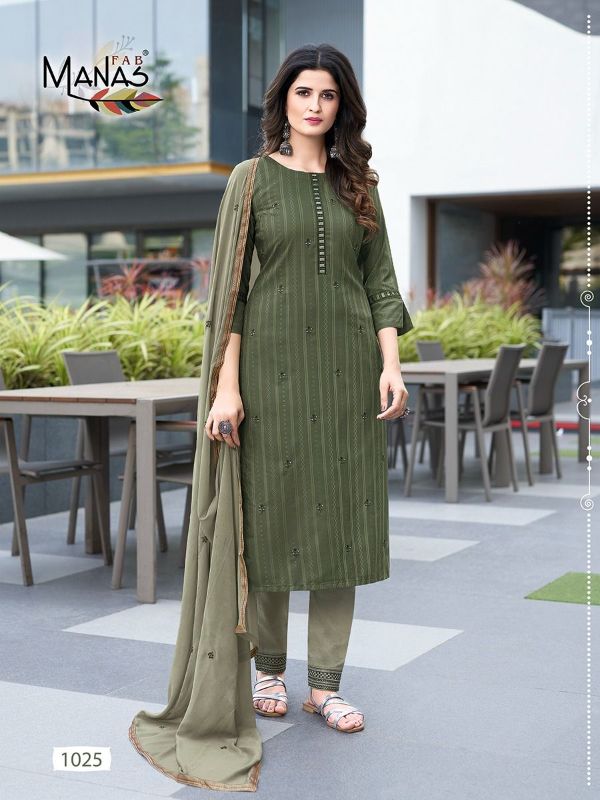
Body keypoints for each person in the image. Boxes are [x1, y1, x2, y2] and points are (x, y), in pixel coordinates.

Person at [204, 42, 414, 735]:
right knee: (271, 518)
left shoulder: (360, 185)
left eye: (328, 95)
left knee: (341, 525)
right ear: (283, 101)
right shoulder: (251, 180)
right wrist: (227, 388)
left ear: (342, 105)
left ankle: (326, 686)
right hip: (271, 374)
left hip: (348, 372)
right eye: (304, 93)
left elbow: (380, 282)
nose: (315, 106)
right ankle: (268, 670)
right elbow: (231, 296)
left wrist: (391, 364)